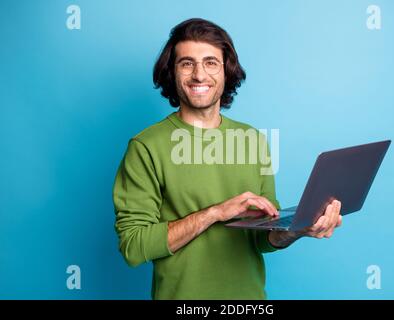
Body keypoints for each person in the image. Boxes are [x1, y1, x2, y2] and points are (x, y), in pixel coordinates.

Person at [112, 18, 342, 299]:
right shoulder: (145, 147)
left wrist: (297, 229)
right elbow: (134, 247)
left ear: (226, 71)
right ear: (172, 72)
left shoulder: (252, 139)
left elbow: (263, 237)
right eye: (187, 63)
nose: (199, 75)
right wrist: (215, 213)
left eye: (210, 62)